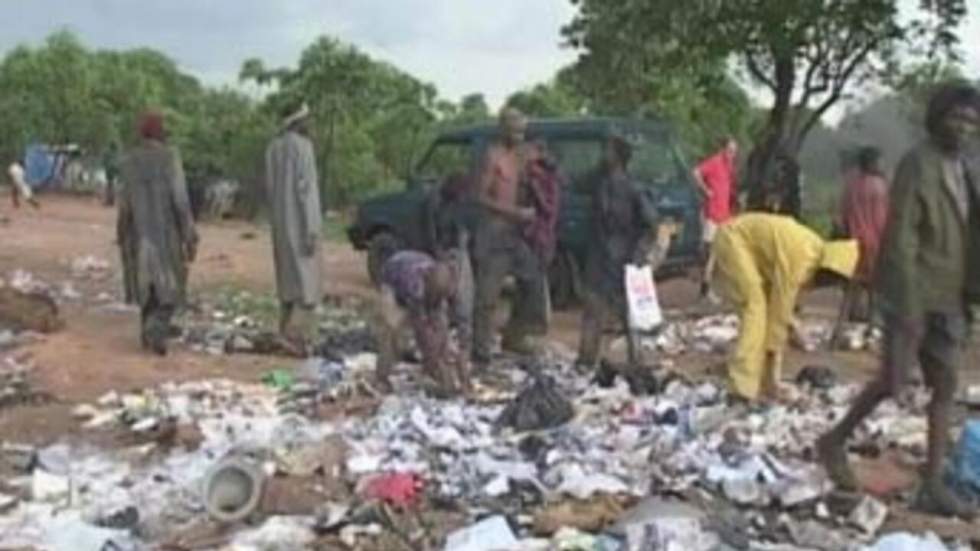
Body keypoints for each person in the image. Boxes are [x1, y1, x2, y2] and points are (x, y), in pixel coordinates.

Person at [818, 84, 980, 518]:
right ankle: (834, 440)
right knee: (893, 382)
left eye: (970, 120)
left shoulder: (964, 168)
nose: (963, 127)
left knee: (945, 387)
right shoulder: (917, 165)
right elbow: (901, 237)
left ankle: (932, 483)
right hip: (916, 294)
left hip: (952, 296)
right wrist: (905, 304)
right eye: (956, 118)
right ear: (937, 118)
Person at [711, 212, 858, 402]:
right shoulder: (801, 259)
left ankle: (758, 382)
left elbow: (782, 308)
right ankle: (742, 385)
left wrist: (791, 325)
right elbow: (778, 318)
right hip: (734, 240)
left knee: (761, 313)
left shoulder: (813, 254)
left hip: (750, 249)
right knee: (755, 310)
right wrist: (774, 378)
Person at [576, 136, 674, 370]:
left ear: (619, 156)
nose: (603, 156)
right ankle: (586, 360)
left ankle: (636, 360)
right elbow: (576, 184)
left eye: (607, 152)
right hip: (599, 257)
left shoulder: (633, 189)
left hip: (623, 259)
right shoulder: (599, 183)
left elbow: (651, 225)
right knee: (592, 310)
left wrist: (639, 255)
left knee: (628, 315)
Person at [117, 111, 198, 355]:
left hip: (139, 234)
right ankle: (155, 328)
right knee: (170, 290)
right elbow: (180, 199)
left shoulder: (129, 161)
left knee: (147, 288)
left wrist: (122, 233)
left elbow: (124, 203)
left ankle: (147, 330)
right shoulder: (170, 157)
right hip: (165, 234)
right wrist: (190, 235)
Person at [472, 107, 548, 363]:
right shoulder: (491, 157)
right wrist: (515, 212)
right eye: (516, 131)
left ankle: (514, 336)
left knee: (533, 281)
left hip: (515, 235)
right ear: (503, 129)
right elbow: (480, 197)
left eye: (523, 131)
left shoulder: (519, 155)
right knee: (488, 296)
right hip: (494, 234)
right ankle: (480, 350)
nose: (520, 136)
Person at [266, 103, 323, 354]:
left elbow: (269, 189)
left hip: (280, 224)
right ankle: (293, 338)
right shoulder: (303, 148)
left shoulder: (272, 149)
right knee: (306, 287)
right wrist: (311, 228)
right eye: (306, 119)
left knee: (287, 285)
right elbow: (306, 191)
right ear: (297, 121)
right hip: (301, 225)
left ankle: (283, 331)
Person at [374, 249, 470, 397]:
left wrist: (462, 372)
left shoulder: (450, 287)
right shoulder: (414, 285)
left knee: (441, 327)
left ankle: (431, 370)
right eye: (434, 295)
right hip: (392, 281)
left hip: (426, 288)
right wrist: (436, 361)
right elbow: (421, 329)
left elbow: (457, 326)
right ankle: (381, 377)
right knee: (391, 329)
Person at [835, 146, 889, 324]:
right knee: (875, 287)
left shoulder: (851, 185)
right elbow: (882, 219)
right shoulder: (879, 187)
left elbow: (841, 215)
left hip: (852, 241)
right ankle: (871, 322)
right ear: (872, 162)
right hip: (874, 243)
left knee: (851, 288)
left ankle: (845, 322)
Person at [693, 137, 738, 297]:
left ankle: (708, 285)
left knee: (719, 251)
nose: (732, 155)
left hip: (724, 214)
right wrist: (706, 191)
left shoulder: (729, 166)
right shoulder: (715, 162)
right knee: (710, 249)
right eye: (730, 151)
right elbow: (696, 172)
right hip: (712, 213)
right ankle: (704, 285)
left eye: (734, 152)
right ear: (723, 149)